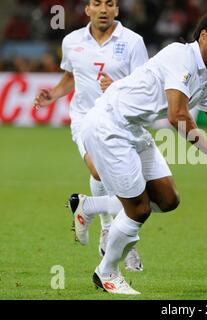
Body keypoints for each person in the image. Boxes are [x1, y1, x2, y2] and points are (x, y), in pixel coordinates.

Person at [69, 10, 207, 295]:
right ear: (204, 36)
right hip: (108, 125)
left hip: (133, 129)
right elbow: (177, 116)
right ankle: (107, 273)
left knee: (167, 199)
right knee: (138, 209)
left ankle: (89, 206)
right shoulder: (180, 55)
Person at [33, 0, 147, 271]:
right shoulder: (72, 41)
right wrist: (53, 94)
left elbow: (145, 83)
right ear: (87, 9)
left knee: (133, 188)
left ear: (117, 10)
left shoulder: (133, 42)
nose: (104, 9)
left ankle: (90, 209)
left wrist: (119, 86)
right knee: (99, 172)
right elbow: (71, 76)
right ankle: (109, 232)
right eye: (97, 3)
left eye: (110, 3)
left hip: (122, 121)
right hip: (85, 118)